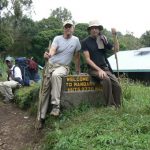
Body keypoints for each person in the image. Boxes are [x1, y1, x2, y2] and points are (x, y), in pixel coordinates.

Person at [36, 20, 81, 129]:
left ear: (73, 28)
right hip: (50, 65)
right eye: (66, 27)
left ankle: (56, 106)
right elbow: (52, 50)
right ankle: (41, 118)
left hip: (63, 67)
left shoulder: (76, 40)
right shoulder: (57, 38)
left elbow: (77, 56)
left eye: (70, 27)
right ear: (63, 28)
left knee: (56, 75)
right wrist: (48, 55)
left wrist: (78, 71)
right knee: (44, 91)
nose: (68, 29)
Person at [81, 20, 121, 107]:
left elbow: (116, 49)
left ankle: (118, 106)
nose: (94, 30)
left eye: (96, 28)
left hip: (105, 68)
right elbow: (87, 59)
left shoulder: (102, 39)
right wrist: (99, 70)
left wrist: (115, 36)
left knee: (116, 84)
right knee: (106, 79)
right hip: (93, 69)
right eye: (92, 28)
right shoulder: (85, 42)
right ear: (90, 30)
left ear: (99, 30)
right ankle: (110, 105)